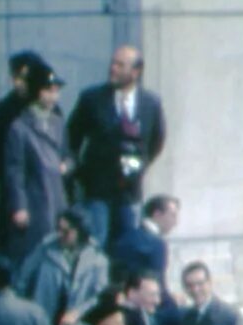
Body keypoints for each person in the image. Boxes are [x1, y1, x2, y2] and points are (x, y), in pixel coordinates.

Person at [63, 45, 166, 244]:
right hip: (97, 191)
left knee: (128, 244)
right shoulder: (91, 99)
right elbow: (72, 138)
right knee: (96, 242)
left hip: (129, 192)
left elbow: (156, 140)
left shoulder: (150, 103)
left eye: (120, 65)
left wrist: (140, 164)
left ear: (136, 72)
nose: (113, 69)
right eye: (113, 63)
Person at [0, 66, 69, 264]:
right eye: (48, 90)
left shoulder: (58, 123)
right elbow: (14, 170)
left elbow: (69, 154)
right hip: (34, 197)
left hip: (57, 196)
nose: (54, 97)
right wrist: (19, 206)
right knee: (33, 253)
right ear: (37, 91)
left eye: (56, 91)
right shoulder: (19, 127)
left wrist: (67, 165)